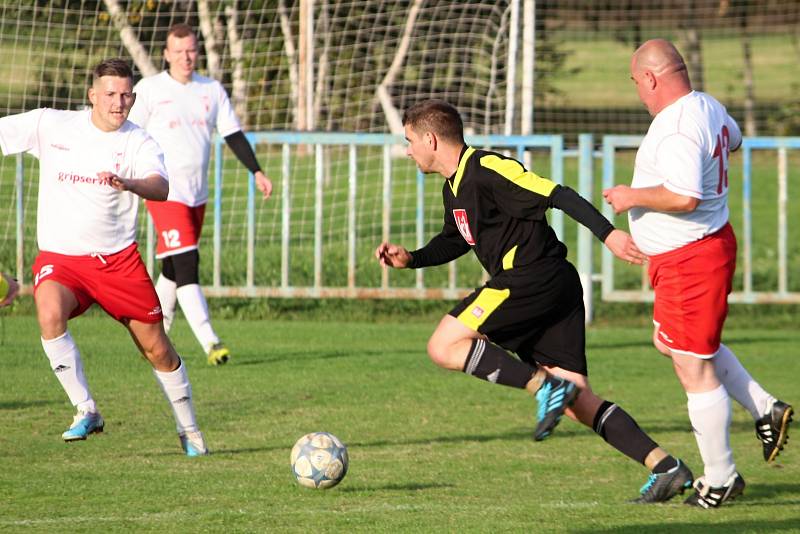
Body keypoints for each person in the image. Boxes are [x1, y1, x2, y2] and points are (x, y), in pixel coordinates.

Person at [377, 99, 695, 503]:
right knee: (577, 398)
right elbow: (454, 240)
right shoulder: (453, 188)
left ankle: (545, 385)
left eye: (408, 141)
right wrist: (413, 259)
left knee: (443, 344)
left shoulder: (487, 168)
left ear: (430, 138)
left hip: (533, 277)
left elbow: (556, 194)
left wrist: (608, 234)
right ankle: (666, 467)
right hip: (548, 286)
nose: (407, 151)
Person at [603, 39, 793, 508]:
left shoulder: (677, 127)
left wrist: (632, 196)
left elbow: (685, 196)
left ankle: (721, 476)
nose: (637, 92)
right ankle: (765, 407)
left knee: (692, 365)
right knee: (672, 343)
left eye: (635, 82)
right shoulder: (706, 105)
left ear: (650, 78)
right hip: (691, 254)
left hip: (693, 258)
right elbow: (734, 138)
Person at [0, 58, 208, 457]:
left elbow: (161, 187)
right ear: (92, 95)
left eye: (127, 94)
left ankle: (189, 430)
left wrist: (129, 183)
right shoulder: (52, 124)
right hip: (62, 261)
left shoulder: (138, 141)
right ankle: (86, 408)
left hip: (118, 263)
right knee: (47, 311)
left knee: (158, 350)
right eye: (111, 94)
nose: (120, 103)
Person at [128, 23, 273, 366]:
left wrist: (257, 171)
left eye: (191, 50)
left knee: (174, 268)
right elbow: (129, 133)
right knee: (188, 264)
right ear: (166, 54)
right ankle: (211, 341)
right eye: (178, 52)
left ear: (198, 51)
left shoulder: (211, 90)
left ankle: (155, 329)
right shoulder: (150, 89)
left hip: (197, 194)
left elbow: (233, 134)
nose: (186, 57)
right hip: (165, 191)